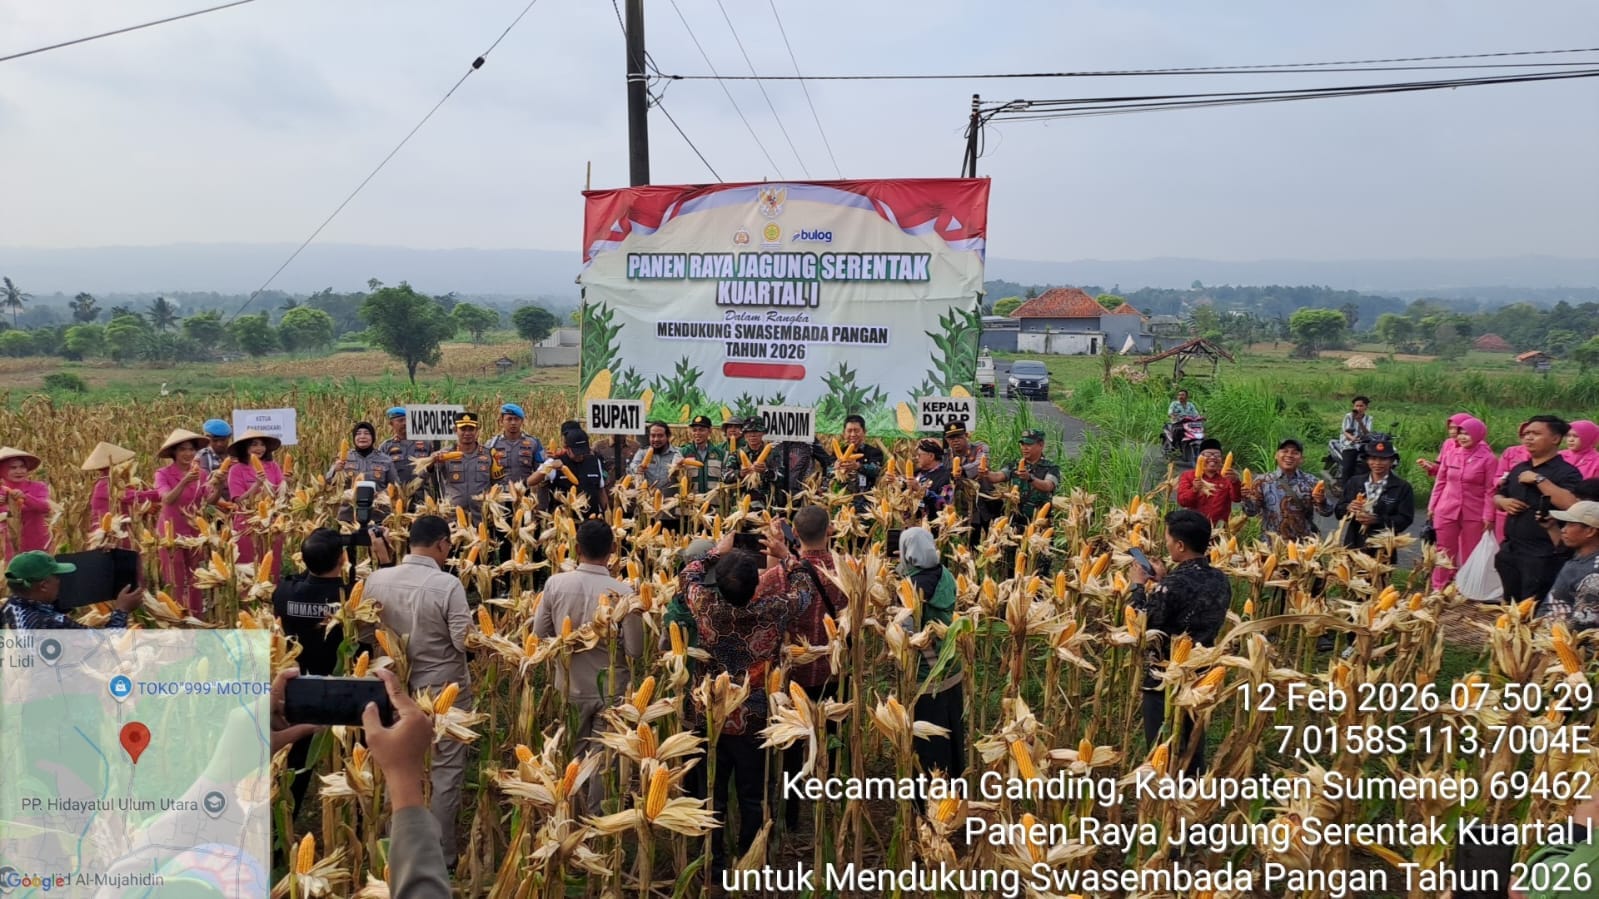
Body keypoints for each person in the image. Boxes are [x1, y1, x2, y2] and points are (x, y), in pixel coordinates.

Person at [681, 536, 805, 875]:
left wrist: (715, 553)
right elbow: (804, 590)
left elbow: (688, 574)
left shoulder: (706, 605)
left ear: (719, 584)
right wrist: (786, 556)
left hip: (710, 714)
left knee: (712, 793)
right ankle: (750, 859)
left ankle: (712, 863)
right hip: (755, 716)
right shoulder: (773, 609)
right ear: (756, 586)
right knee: (753, 795)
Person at [365, 514, 472, 860]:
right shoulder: (447, 585)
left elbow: (365, 632)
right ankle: (440, 855)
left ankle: (394, 846)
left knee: (397, 764)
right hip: (442, 689)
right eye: (448, 546)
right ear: (442, 544)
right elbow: (463, 640)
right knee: (445, 769)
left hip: (393, 687)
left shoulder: (376, 579)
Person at [271, 528, 384, 808]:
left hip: (300, 687)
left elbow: (298, 581)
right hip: (348, 688)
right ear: (343, 558)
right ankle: (360, 815)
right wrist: (384, 560)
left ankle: (287, 811)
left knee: (296, 761)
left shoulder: (284, 592)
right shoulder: (350, 596)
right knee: (358, 756)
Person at [532, 520, 643, 774]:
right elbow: (635, 650)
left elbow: (539, 635)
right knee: (603, 764)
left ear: (576, 548)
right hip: (611, 690)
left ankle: (573, 799)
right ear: (613, 548)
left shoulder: (555, 584)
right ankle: (596, 801)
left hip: (569, 685)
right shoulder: (625, 592)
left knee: (573, 759)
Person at [1128, 509, 1230, 775]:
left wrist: (1137, 586)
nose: (1167, 545)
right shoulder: (1221, 579)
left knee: (1162, 746)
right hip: (1201, 674)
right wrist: (1163, 582)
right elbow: (1188, 600)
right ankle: (1193, 788)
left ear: (1181, 545)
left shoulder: (1173, 586)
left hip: (1166, 677)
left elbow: (1141, 624)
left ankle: (1164, 794)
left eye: (1169, 540)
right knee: (1192, 741)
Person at [758, 506, 842, 829]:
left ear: (794, 532)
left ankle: (791, 814)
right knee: (831, 736)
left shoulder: (782, 574)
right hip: (832, 670)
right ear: (830, 530)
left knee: (792, 744)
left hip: (792, 675)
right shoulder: (845, 568)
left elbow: (758, 592)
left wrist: (777, 555)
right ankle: (830, 804)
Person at [897, 527, 964, 784]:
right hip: (950, 665)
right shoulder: (945, 574)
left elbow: (906, 635)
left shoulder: (913, 588)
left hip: (926, 674)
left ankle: (930, 795)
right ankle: (955, 783)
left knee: (930, 741)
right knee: (952, 730)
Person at [1495, 416, 1582, 605]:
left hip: (1543, 553)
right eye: (1526, 433)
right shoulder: (1519, 468)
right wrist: (1503, 502)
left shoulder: (1567, 472)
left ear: (1555, 438)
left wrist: (1538, 480)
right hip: (1511, 549)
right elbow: (1498, 495)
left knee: (1535, 608)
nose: (1528, 437)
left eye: (1536, 433)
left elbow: (1571, 504)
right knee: (1510, 606)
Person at [1428, 416, 1497, 590]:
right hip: (1447, 508)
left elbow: (1490, 490)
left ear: (1478, 434)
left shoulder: (1488, 459)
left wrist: (1488, 516)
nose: (1462, 437)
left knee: (1470, 550)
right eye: (1460, 433)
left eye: (1467, 433)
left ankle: (1466, 588)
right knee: (1444, 550)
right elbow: (1441, 481)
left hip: (1473, 511)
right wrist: (1432, 506)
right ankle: (1439, 587)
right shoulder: (1451, 454)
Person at [155, 429, 218, 614]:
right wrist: (183, 482)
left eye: (191, 449)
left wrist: (220, 483)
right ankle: (177, 614)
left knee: (195, 576)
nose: (188, 453)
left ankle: (196, 614)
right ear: (174, 452)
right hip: (171, 532)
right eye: (183, 449)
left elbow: (210, 500)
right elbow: (167, 499)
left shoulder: (202, 474)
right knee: (175, 577)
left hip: (194, 532)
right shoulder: (163, 473)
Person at [1, 551, 142, 629]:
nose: (60, 581)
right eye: (57, 576)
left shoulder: (10, 607)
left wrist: (96, 559)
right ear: (43, 586)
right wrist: (122, 610)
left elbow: (52, 606)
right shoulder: (52, 624)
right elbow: (106, 645)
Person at [1241, 439, 1334, 541]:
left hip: (1302, 544)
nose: (1289, 455)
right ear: (1276, 455)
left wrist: (1321, 501)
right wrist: (1245, 498)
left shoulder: (1311, 481)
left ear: (1301, 459)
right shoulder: (1262, 481)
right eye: (1285, 451)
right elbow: (1251, 512)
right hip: (1270, 543)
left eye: (1295, 453)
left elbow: (1327, 512)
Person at [1335, 438, 1415, 553]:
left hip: (1382, 549)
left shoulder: (1402, 487)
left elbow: (1405, 519)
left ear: (1392, 461)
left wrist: (1377, 520)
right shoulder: (1355, 482)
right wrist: (1348, 507)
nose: (1377, 463)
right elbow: (1338, 511)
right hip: (1353, 544)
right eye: (1373, 458)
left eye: (1383, 459)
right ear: (1367, 460)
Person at [226, 429, 285, 582]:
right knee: (248, 568)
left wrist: (286, 485)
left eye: (262, 444)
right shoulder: (236, 470)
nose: (259, 448)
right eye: (254, 444)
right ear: (245, 448)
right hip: (247, 525)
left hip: (271, 523)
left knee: (271, 566)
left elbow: (280, 493)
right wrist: (257, 484)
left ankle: (272, 594)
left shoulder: (273, 466)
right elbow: (238, 500)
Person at [1539, 501, 1599, 632]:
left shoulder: (1594, 574)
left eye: (1570, 524)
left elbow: (1584, 624)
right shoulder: (1581, 557)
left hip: (1564, 640)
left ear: (1590, 531)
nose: (1563, 529)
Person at [981, 429, 1060, 523]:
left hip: (1039, 521)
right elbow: (998, 476)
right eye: (1022, 444)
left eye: (1029, 444)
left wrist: (1030, 478)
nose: (1024, 448)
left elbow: (1048, 486)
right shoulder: (1014, 465)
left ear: (1041, 445)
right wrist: (987, 474)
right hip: (1014, 519)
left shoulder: (1051, 467)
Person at [82, 442, 155, 541]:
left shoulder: (110, 482)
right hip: (107, 538)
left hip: (119, 533)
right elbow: (131, 496)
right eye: (122, 464)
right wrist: (161, 493)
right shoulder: (105, 484)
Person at [433, 412, 496, 522]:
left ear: (477, 431)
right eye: (463, 429)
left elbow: (498, 484)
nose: (467, 433)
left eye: (471, 429)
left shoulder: (489, 454)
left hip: (482, 517)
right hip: (453, 517)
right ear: (455, 430)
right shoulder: (444, 454)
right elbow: (422, 475)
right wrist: (431, 461)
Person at [542, 423, 608, 513]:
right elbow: (533, 482)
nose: (580, 455)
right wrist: (548, 466)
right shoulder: (554, 461)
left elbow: (601, 490)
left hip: (591, 517)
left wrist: (607, 513)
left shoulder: (595, 461)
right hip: (564, 517)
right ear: (566, 446)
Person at [0, 446, 52, 557]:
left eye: (22, 467)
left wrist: (25, 498)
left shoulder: (38, 487)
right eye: (13, 468)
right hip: (8, 547)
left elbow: (46, 507)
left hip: (37, 543)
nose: (19, 471)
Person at [1176, 438, 1242, 525]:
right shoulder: (1188, 476)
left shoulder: (1228, 476)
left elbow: (1236, 498)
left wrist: (1235, 482)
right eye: (1208, 454)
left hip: (1219, 526)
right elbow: (1183, 502)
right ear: (1200, 457)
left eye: (1217, 455)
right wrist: (1194, 490)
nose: (1213, 457)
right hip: (1194, 525)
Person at [485, 403, 547, 488]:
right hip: (499, 493)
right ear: (501, 421)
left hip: (524, 492)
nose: (513, 423)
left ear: (522, 421)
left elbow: (541, 470)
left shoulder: (533, 443)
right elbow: (484, 474)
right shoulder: (491, 445)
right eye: (509, 419)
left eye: (516, 419)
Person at [830, 414, 885, 508]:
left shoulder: (874, 452)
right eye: (849, 431)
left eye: (856, 431)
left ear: (864, 432)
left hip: (866, 502)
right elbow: (828, 473)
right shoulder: (837, 452)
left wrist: (858, 466)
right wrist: (835, 468)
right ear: (844, 433)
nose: (853, 434)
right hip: (842, 501)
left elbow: (876, 470)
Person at [725, 417, 777, 509]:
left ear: (763, 433)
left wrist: (766, 471)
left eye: (756, 432)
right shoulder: (736, 454)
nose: (753, 435)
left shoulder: (773, 454)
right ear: (744, 435)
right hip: (741, 504)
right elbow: (725, 476)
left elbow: (781, 477)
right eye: (749, 432)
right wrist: (740, 474)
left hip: (767, 505)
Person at [380, 406, 435, 491]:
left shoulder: (426, 444)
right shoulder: (386, 446)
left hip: (422, 493)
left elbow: (436, 471)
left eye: (407, 420)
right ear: (391, 424)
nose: (405, 423)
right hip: (396, 494)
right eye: (400, 420)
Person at [328, 421, 394, 490]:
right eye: (358, 434)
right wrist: (335, 470)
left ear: (373, 437)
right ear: (354, 438)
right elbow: (328, 482)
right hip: (349, 496)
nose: (362, 436)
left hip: (377, 496)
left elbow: (394, 485)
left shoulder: (385, 459)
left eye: (367, 433)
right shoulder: (343, 457)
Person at [629, 420, 685, 493]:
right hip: (647, 497)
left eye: (660, 436)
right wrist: (637, 469)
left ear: (668, 436)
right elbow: (633, 465)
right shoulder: (642, 452)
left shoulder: (678, 453)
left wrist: (678, 470)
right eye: (653, 436)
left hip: (670, 498)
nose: (656, 439)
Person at [680, 415, 728, 492]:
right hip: (692, 498)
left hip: (714, 498)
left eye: (701, 430)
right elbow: (675, 477)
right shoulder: (683, 453)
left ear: (710, 431)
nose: (697, 433)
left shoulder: (721, 454)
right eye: (694, 430)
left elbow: (726, 478)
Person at [907, 439, 953, 519]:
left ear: (931, 456)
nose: (916, 458)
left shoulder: (946, 476)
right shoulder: (917, 473)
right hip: (913, 521)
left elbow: (944, 503)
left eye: (919, 455)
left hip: (933, 522)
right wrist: (894, 482)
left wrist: (923, 492)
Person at [1416, 413, 1469, 478]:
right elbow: (1441, 469)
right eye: (1450, 428)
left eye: (1456, 428)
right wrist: (1431, 467)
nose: (1452, 432)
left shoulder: (1475, 448)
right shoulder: (1448, 443)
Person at [1338, 396, 1374, 480]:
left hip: (1362, 444)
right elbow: (1345, 432)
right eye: (1356, 406)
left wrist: (1360, 422)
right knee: (1348, 467)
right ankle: (1345, 485)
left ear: (1366, 407)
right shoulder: (1348, 416)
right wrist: (1353, 438)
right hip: (1349, 444)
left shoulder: (1369, 418)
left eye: (1361, 406)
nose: (1358, 408)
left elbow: (1367, 433)